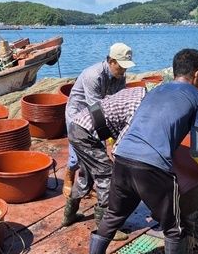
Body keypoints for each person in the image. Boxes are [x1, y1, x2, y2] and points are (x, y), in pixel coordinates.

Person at [86, 48, 198, 254]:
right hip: (152, 166)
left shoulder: (156, 90)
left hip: (122, 158)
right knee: (173, 222)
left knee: (114, 214)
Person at [62, 86, 147, 240]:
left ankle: (69, 214)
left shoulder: (138, 91)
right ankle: (104, 226)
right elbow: (120, 146)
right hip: (86, 132)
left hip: (78, 127)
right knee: (106, 175)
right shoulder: (140, 108)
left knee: (86, 174)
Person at [63, 42, 135, 197]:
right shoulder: (93, 75)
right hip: (79, 111)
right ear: (111, 61)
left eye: (126, 67)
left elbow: (118, 101)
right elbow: (95, 110)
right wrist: (109, 139)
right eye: (121, 67)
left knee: (97, 150)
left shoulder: (120, 76)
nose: (123, 71)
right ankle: (69, 174)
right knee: (79, 150)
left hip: (100, 109)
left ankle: (91, 180)